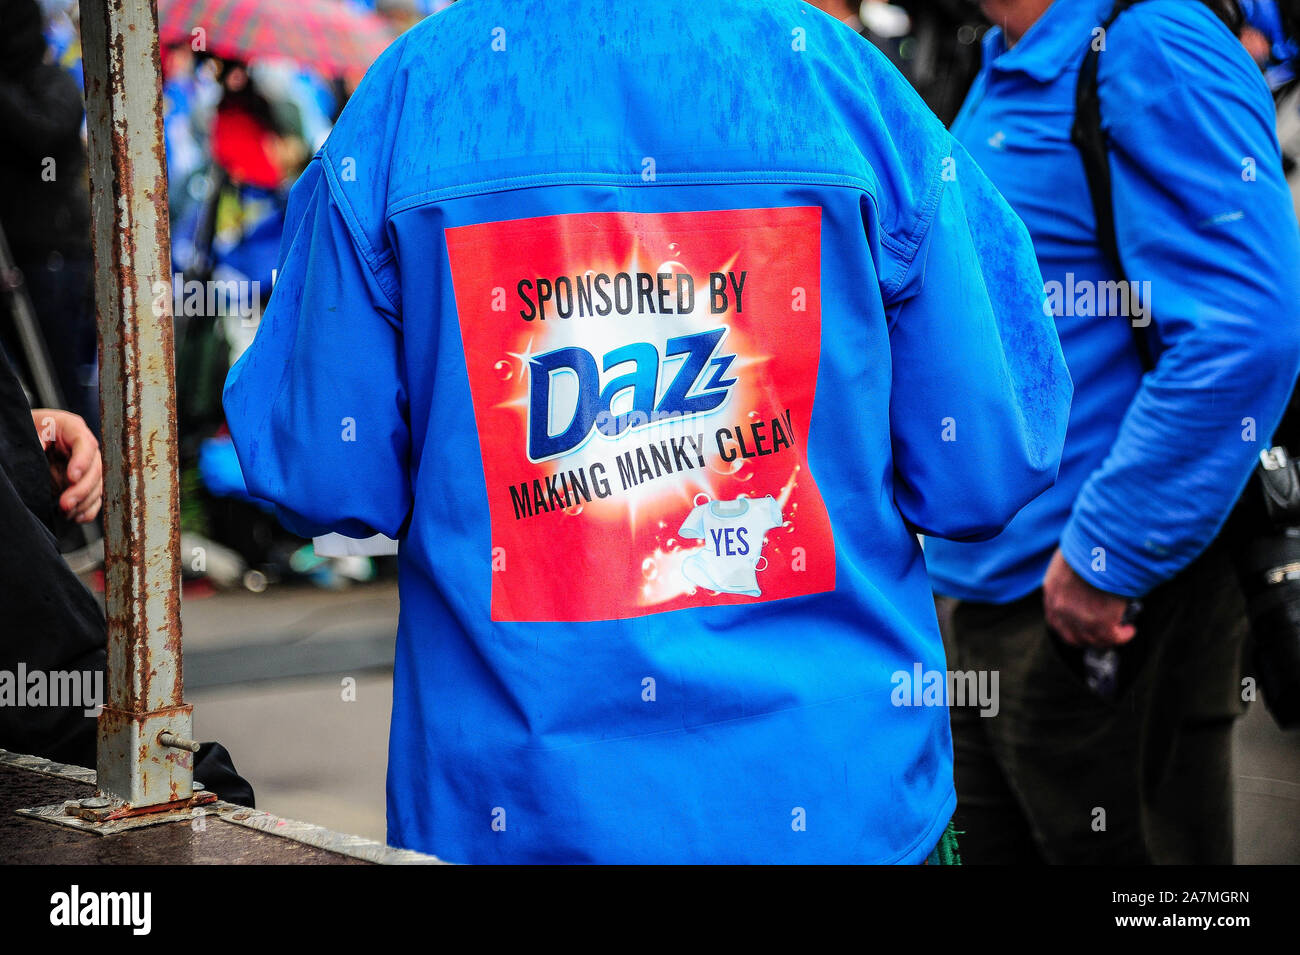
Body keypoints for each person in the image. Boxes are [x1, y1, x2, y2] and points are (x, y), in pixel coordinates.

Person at [224, 0, 1071, 863]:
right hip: (834, 802)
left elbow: (322, 471)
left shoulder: (409, 98)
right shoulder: (842, 88)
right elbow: (986, 464)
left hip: (514, 816)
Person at [926, 0, 1300, 863]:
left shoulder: (1149, 38)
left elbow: (1245, 335)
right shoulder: (1010, 59)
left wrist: (1103, 559)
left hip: (1103, 612)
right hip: (996, 597)